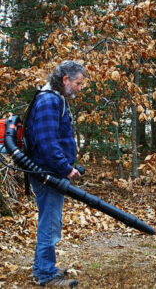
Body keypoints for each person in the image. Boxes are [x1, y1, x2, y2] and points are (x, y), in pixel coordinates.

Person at [27, 60, 86, 287]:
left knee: (49, 222)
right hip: (47, 174)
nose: (79, 88)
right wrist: (66, 169)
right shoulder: (49, 100)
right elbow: (47, 144)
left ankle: (42, 268)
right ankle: (46, 276)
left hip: (51, 172)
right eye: (78, 83)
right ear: (65, 80)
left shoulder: (55, 99)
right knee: (50, 226)